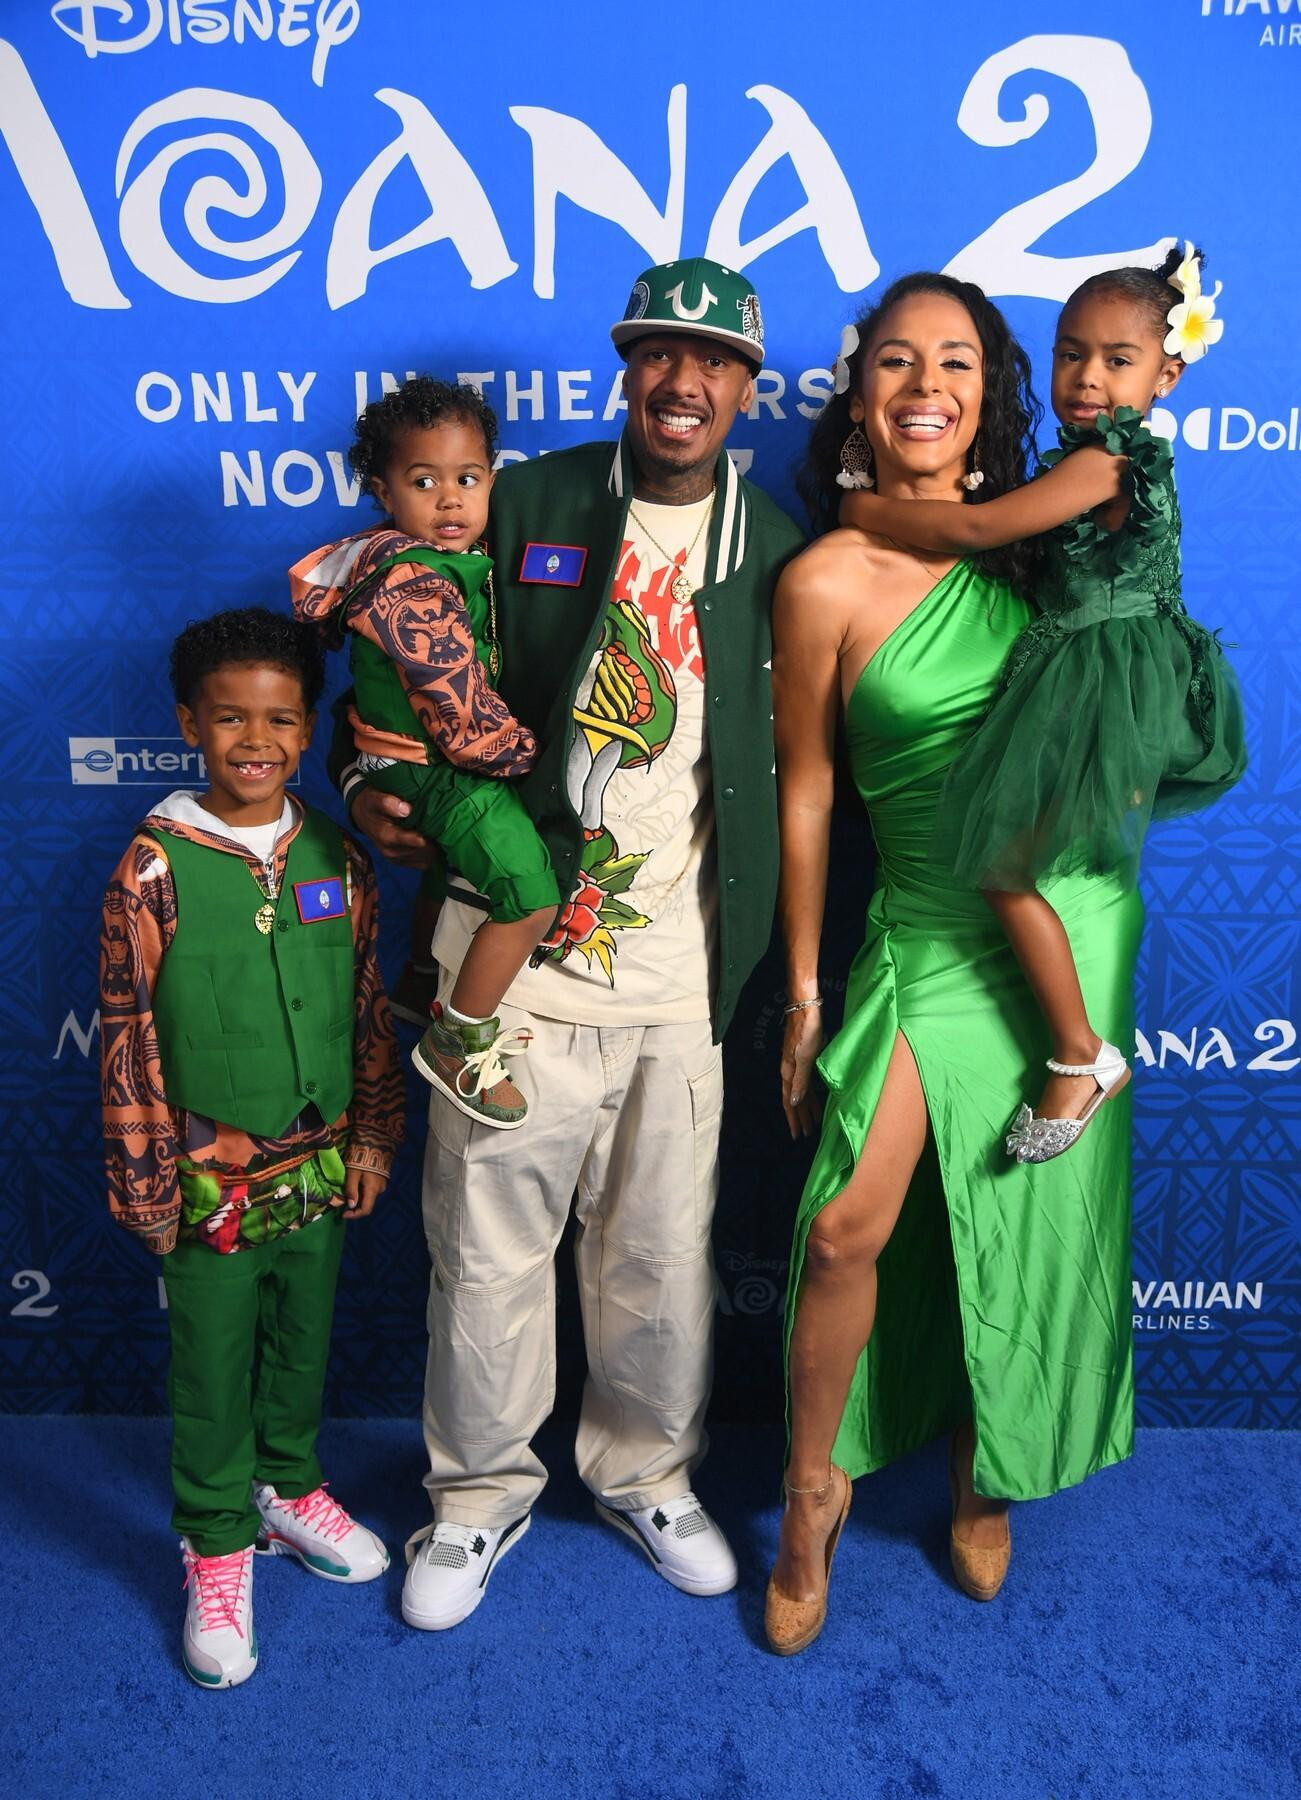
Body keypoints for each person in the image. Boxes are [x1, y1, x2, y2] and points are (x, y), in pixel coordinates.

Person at [340, 257, 805, 1630]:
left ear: (745, 388)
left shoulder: (775, 545)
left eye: (712, 361)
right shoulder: (525, 500)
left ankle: (645, 1475)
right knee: (485, 1254)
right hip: (511, 972)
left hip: (678, 972)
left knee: (659, 1259)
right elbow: (400, 630)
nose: (682, 380)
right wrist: (364, 781)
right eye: (658, 353)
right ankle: (475, 1495)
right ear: (625, 368)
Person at [766, 273, 1139, 1656]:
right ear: (859, 388)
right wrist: (803, 991)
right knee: (843, 1228)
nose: (926, 386)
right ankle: (811, 1491)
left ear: (991, 393)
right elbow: (808, 793)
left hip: (1064, 922)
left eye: (958, 363)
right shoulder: (822, 578)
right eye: (896, 360)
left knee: (1025, 1215)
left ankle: (990, 1469)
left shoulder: (1048, 552)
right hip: (927, 926)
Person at [838, 243, 1245, 1161]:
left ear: (1166, 375)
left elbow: (980, 525)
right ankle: (1071, 1044)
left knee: (1004, 868)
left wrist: (863, 512)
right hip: (1089, 669)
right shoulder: (1085, 457)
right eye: (1070, 354)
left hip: (1099, 681)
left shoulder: (1108, 462)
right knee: (1010, 866)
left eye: (1117, 359)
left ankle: (1080, 1053)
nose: (1087, 378)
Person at [99, 608, 404, 1688]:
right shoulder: (154, 868)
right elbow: (128, 1033)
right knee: (212, 1364)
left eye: (279, 719)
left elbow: (365, 1005)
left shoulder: (336, 854)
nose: (256, 741)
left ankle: (287, 1487)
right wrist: (146, 1181)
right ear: (191, 724)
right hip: (206, 1183)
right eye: (230, 718)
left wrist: (372, 1135)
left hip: (318, 1165)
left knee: (300, 1340)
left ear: (308, 727)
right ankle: (217, 1540)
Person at [291, 377, 560, 1129]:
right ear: (383, 491)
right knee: (530, 896)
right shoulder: (413, 582)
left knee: (454, 870)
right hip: (433, 764)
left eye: (467, 479)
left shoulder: (432, 564)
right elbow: (459, 711)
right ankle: (458, 1037)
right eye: (423, 482)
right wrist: (528, 759)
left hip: (410, 760)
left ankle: (418, 977)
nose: (449, 500)